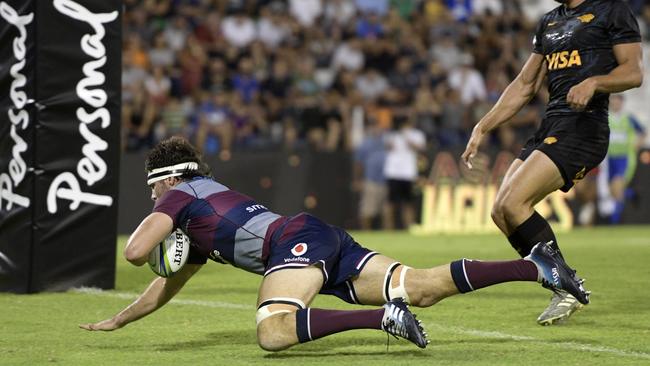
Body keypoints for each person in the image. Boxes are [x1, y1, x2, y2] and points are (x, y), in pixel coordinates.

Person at [80, 137, 589, 351]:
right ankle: (537, 266)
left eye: (153, 187)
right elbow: (165, 287)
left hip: (295, 243)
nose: (152, 196)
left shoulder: (180, 195)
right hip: (316, 236)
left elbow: (133, 252)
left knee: (273, 332)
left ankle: (383, 318)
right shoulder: (197, 212)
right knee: (423, 286)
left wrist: (158, 228)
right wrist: (120, 318)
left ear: (168, 179)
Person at [461, 0, 643, 326]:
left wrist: (594, 82)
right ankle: (561, 283)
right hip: (551, 126)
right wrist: (483, 126)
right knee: (501, 212)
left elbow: (633, 72)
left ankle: (566, 284)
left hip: (584, 128)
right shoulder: (549, 21)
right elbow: (524, 85)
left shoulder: (611, 10)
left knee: (515, 204)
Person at [597, 94, 646, 224]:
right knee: (613, 191)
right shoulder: (605, 118)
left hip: (624, 159)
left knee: (617, 187)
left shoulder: (628, 118)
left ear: (622, 102)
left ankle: (615, 223)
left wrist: (637, 144)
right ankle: (631, 194)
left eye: (618, 100)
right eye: (613, 100)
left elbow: (643, 131)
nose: (615, 103)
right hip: (609, 159)